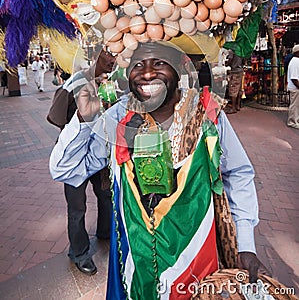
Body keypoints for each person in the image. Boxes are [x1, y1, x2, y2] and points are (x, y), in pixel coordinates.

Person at [49, 41, 264, 298]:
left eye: (159, 63)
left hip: (196, 265)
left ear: (180, 66)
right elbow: (65, 170)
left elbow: (238, 174)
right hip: (135, 270)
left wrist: (245, 244)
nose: (147, 73)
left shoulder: (207, 113)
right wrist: (83, 121)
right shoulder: (118, 116)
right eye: (138, 64)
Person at [47, 46, 117, 275]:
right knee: (77, 208)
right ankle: (79, 253)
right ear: (95, 53)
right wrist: (79, 126)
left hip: (101, 154)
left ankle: (106, 233)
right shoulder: (75, 82)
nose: (113, 58)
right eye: (108, 52)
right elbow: (55, 116)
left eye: (117, 53)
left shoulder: (115, 81)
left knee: (106, 195)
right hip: (76, 156)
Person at [224, 49, 245, 114]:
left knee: (233, 89)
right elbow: (244, 61)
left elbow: (230, 60)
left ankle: (233, 108)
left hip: (234, 71)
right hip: (240, 71)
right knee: (239, 89)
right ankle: (237, 106)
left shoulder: (232, 51)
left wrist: (226, 64)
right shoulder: (242, 50)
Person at [286, 44, 299, 129]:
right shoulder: (295, 62)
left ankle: (295, 120)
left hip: (295, 87)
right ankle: (292, 121)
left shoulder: (295, 61)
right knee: (294, 105)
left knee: (296, 105)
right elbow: (294, 78)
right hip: (295, 88)